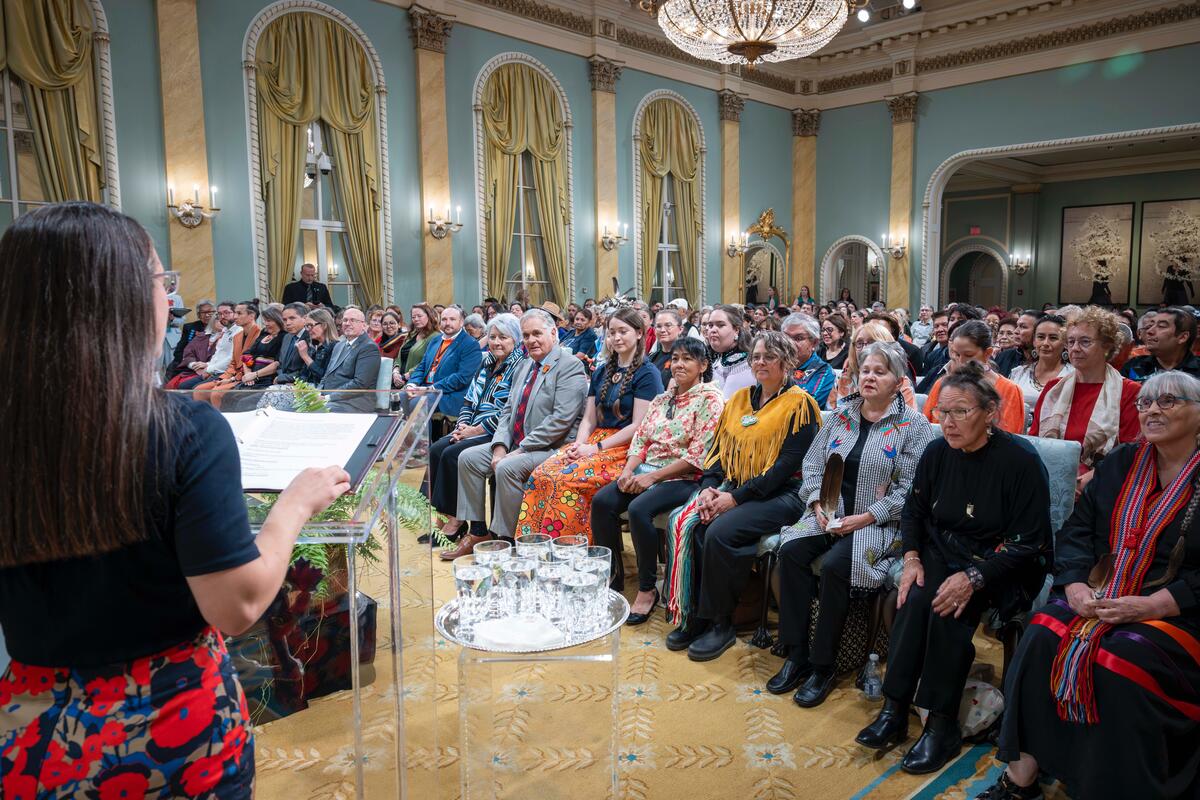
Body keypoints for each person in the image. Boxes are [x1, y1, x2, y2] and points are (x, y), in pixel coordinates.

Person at [0, 202, 350, 798]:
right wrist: (295, 504)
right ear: (125, 300)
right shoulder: (179, 430)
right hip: (169, 724)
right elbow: (236, 605)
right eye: (163, 281)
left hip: (32, 725)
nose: (170, 297)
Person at [979, 371, 1200, 800]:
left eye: (1168, 401)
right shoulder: (1122, 462)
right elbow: (1078, 530)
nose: (1152, 411)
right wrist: (1074, 584)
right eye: (1145, 403)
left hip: (1178, 609)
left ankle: (1108, 786)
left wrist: (1155, 605)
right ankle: (1021, 779)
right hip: (1104, 590)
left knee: (1120, 659)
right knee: (1042, 634)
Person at [856, 362, 1052, 775]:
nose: (947, 422)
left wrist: (976, 577)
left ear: (990, 412)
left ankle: (941, 724)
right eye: (942, 412)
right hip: (944, 550)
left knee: (947, 609)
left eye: (960, 411)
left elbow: (1029, 540)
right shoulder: (937, 451)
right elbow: (914, 510)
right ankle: (895, 707)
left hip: (1001, 561)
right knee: (914, 598)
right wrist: (911, 558)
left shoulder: (1020, 461)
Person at [770, 342, 935, 704]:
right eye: (865, 371)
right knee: (792, 550)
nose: (869, 378)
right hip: (829, 512)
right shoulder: (841, 415)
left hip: (879, 522)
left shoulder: (913, 425)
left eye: (880, 372)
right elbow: (813, 464)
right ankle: (795, 653)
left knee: (834, 566)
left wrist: (865, 517)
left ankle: (823, 665)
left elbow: (911, 490)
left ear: (899, 381)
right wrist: (817, 502)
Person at [664, 332, 821, 662]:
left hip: (785, 494)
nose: (760, 362)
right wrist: (708, 487)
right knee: (695, 525)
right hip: (738, 487)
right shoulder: (738, 399)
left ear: (787, 363)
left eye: (770, 356)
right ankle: (697, 614)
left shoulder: (800, 405)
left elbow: (784, 468)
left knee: (720, 532)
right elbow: (718, 451)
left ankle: (722, 624)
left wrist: (733, 499)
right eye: (756, 356)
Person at [591, 337, 724, 622]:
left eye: (687, 359)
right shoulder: (663, 399)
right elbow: (641, 440)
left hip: (684, 477)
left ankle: (647, 588)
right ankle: (613, 578)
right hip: (646, 471)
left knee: (639, 509)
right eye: (675, 359)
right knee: (602, 501)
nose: (678, 364)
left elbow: (698, 456)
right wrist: (628, 471)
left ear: (703, 366)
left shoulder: (710, 400)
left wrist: (651, 478)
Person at [516, 308, 662, 541]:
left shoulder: (647, 373)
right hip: (594, 442)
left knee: (566, 480)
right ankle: (536, 545)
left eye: (623, 331)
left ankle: (571, 548)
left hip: (627, 448)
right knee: (541, 474)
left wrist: (595, 449)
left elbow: (638, 426)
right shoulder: (602, 370)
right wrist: (579, 445)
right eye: (612, 332)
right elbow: (589, 418)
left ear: (639, 333)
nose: (616, 337)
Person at [454, 310, 588, 551]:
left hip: (553, 448)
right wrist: (499, 447)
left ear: (553, 332)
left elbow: (560, 421)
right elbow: (507, 411)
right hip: (517, 444)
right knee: (468, 458)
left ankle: (509, 540)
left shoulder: (570, 366)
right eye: (526, 335)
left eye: (537, 333)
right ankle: (478, 531)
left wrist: (517, 451)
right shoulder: (525, 366)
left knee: (507, 467)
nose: (531, 340)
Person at [434, 314, 527, 559]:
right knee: (436, 450)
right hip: (472, 425)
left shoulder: (520, 365)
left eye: (503, 337)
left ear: (515, 339)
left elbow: (510, 410)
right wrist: (462, 425)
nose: (496, 342)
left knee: (454, 454)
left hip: (495, 430)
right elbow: (470, 399)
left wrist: (475, 430)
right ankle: (450, 514)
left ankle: (471, 526)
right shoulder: (486, 362)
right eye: (493, 337)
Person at [1030, 306, 1141, 493]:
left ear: (1107, 345)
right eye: (1071, 341)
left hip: (1103, 486)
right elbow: (1035, 442)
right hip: (1049, 481)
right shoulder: (1053, 389)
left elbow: (1130, 452)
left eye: (1085, 342)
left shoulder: (1129, 391)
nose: (1075, 348)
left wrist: (1087, 479)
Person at [923, 321, 1026, 433]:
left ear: (987, 353)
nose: (961, 362)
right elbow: (926, 429)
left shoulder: (1009, 390)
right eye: (956, 354)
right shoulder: (942, 384)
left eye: (968, 355)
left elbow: (1008, 436)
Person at [405, 306, 484, 424]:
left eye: (452, 319)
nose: (447, 323)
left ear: (461, 322)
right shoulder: (435, 340)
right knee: (401, 397)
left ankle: (421, 437)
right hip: (426, 389)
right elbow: (422, 367)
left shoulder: (470, 344)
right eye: (444, 319)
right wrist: (412, 384)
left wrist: (430, 389)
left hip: (449, 394)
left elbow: (462, 378)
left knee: (417, 403)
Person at [830, 321, 917, 409]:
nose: (864, 348)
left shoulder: (899, 382)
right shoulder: (845, 377)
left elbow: (908, 417)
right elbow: (835, 413)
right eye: (859, 343)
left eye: (872, 343)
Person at [317, 307, 382, 412]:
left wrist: (328, 397)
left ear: (363, 325)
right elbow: (327, 375)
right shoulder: (339, 345)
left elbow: (360, 384)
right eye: (345, 320)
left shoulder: (369, 347)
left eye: (353, 320)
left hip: (354, 402)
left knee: (314, 412)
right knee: (294, 407)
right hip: (332, 399)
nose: (347, 323)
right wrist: (317, 393)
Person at [1009, 314, 1072, 412]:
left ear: (1065, 343)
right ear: (1034, 341)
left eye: (1053, 338)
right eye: (1041, 337)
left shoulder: (1073, 376)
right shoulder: (1018, 373)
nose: (1045, 343)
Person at [1122, 306, 1200, 381]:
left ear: (1182, 337)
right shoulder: (1134, 366)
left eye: (1161, 326)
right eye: (1150, 326)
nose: (1149, 331)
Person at [781, 314, 834, 410]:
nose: (790, 343)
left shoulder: (823, 371)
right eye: (786, 337)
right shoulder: (776, 364)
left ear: (814, 342)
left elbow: (806, 407)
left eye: (798, 338)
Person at [165, 306, 225, 389]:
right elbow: (187, 354)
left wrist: (207, 365)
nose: (222, 322)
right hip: (194, 370)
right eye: (218, 320)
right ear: (212, 321)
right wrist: (193, 364)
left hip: (215, 371)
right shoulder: (201, 336)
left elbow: (226, 359)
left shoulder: (228, 337)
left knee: (186, 386)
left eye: (224, 320)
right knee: (173, 384)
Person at [706, 304, 755, 398]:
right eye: (710, 325)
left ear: (736, 330)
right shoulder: (714, 356)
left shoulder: (744, 363)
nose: (713, 330)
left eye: (720, 325)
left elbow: (728, 403)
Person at [393, 303, 438, 386]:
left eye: (419, 316)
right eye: (413, 317)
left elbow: (428, 362)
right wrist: (395, 373)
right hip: (399, 380)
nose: (416, 319)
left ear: (429, 316)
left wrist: (405, 376)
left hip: (417, 382)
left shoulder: (435, 337)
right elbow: (399, 357)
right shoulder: (412, 334)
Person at [167, 298, 215, 373]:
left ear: (215, 313)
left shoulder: (220, 328)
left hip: (211, 366)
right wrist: (190, 363)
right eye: (203, 312)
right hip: (190, 365)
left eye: (210, 312)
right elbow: (179, 351)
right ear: (198, 315)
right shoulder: (190, 328)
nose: (207, 315)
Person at [916, 310, 952, 387]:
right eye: (936, 326)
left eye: (945, 325)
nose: (940, 329)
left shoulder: (957, 354)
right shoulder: (929, 353)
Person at [649, 308, 685, 383]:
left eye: (668, 325)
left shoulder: (686, 357)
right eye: (658, 326)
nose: (662, 330)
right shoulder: (651, 358)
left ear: (680, 329)